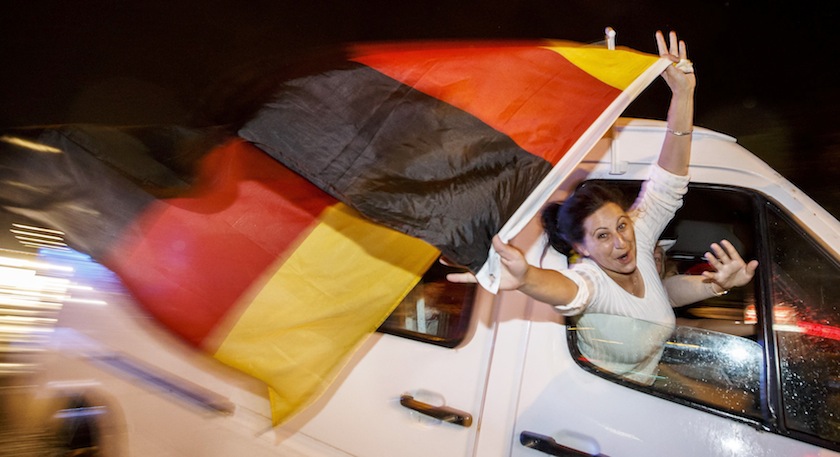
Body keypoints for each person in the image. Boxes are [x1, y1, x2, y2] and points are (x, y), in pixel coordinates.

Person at [448, 31, 758, 383]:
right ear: (581, 248)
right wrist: (526, 279)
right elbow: (570, 291)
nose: (621, 241)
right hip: (602, 403)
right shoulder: (592, 280)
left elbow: (668, 184)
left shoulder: (637, 241)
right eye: (602, 236)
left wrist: (683, 94)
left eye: (622, 225)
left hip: (648, 386)